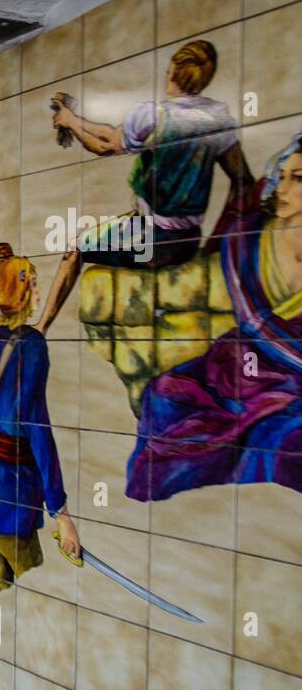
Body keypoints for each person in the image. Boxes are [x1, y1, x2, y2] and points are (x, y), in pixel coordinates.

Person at [128, 134, 302, 498]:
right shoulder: (249, 236)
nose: (281, 187)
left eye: (297, 178)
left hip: (292, 381)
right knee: (164, 393)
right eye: (282, 175)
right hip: (240, 360)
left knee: (281, 439)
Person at [51, 39, 254, 268]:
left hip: (149, 239)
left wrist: (71, 123)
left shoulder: (155, 116)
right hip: (186, 242)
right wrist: (218, 238)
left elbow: (103, 146)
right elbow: (244, 181)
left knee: (75, 248)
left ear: (171, 75)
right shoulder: (219, 119)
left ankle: (48, 307)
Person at [0, 256, 80, 590]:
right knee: (36, 591)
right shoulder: (33, 347)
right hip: (14, 497)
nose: (37, 291)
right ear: (20, 291)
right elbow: (37, 427)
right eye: (32, 284)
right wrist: (60, 512)